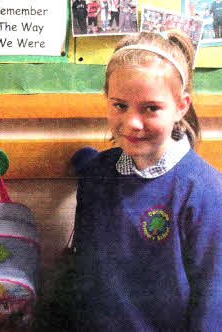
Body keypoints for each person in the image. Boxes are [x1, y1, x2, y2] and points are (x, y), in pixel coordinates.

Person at [63, 31, 221, 331]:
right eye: (120, 106)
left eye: (150, 108)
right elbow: (82, 274)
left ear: (181, 106)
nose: (133, 123)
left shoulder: (205, 191)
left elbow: (214, 301)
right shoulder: (97, 174)